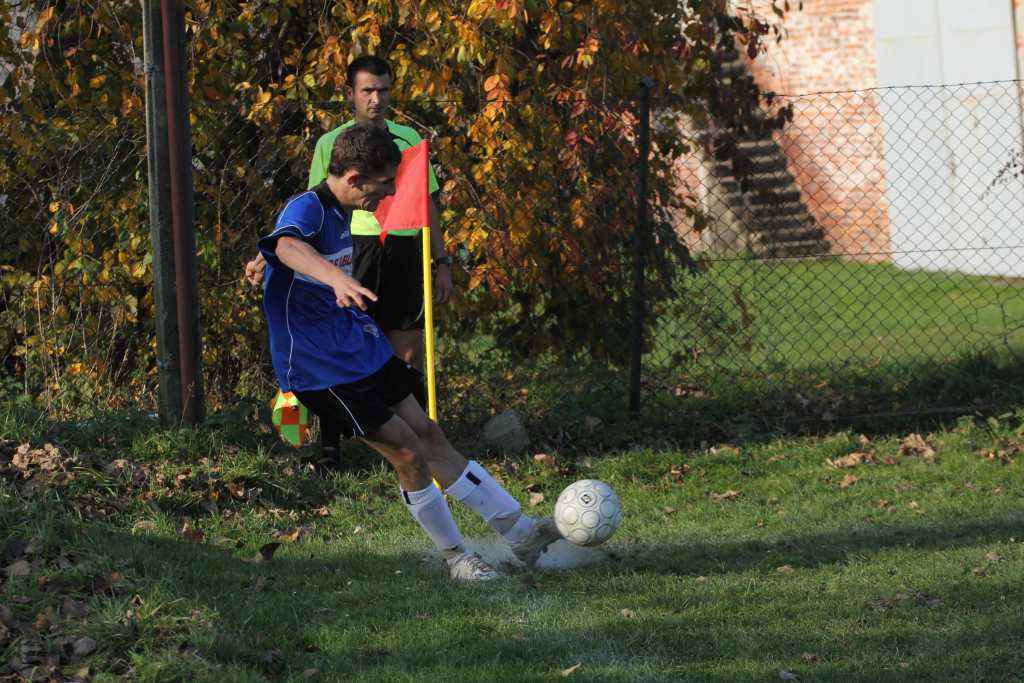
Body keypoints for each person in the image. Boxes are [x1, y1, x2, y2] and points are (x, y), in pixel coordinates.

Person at [257, 123, 561, 581]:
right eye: (384, 186)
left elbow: (277, 249)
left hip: (359, 347)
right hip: (321, 368)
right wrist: (336, 278)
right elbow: (287, 244)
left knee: (429, 434)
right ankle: (457, 558)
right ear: (355, 177)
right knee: (405, 453)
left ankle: (520, 532)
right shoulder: (311, 208)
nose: (389, 196)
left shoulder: (341, 209)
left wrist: (267, 261)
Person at [246, 55, 451, 468]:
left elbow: (427, 202)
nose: (376, 99)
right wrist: (266, 257)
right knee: (343, 344)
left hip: (404, 247)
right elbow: (304, 217)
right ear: (351, 95)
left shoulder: (409, 140)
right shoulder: (333, 144)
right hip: (353, 251)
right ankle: (333, 452)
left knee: (403, 352)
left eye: (383, 90)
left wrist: (441, 260)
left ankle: (414, 443)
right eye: (367, 91)